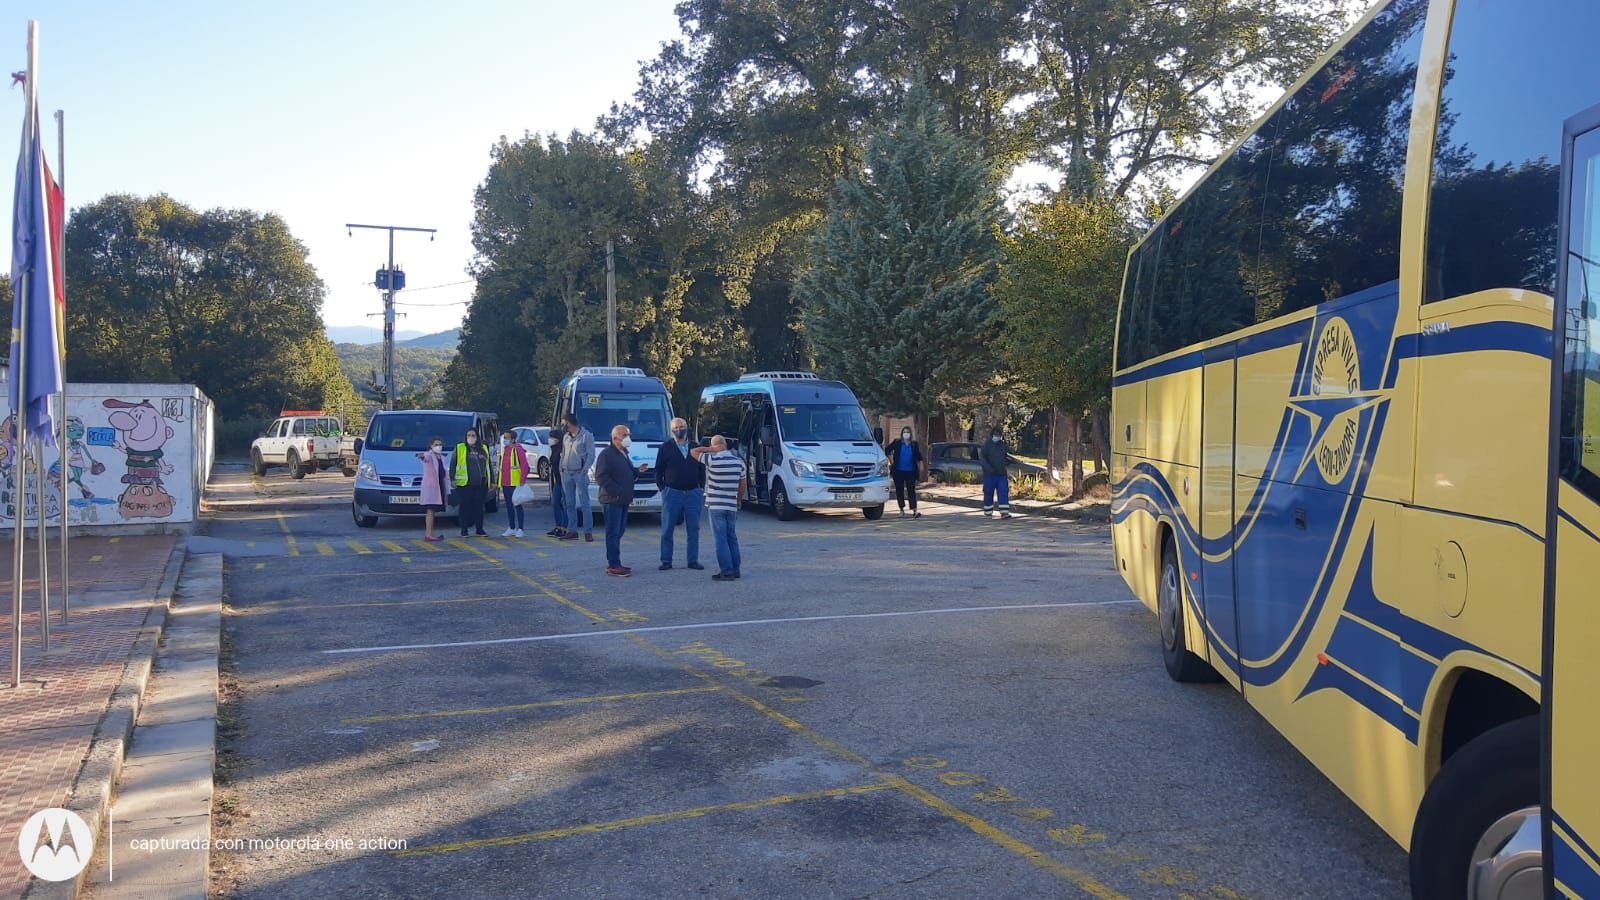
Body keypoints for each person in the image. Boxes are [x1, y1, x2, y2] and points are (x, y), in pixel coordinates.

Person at [595, 424, 648, 577]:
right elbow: (601, 476)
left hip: (623, 499)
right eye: (624, 435)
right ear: (615, 438)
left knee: (619, 531)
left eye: (628, 434)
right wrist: (617, 491)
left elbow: (627, 473)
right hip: (612, 500)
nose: (627, 438)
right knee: (613, 532)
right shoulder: (606, 454)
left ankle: (616, 562)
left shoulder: (624, 453)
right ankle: (613, 565)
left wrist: (638, 471)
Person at [691, 435, 746, 581]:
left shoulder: (712, 460)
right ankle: (736, 569)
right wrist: (738, 500)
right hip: (731, 505)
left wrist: (710, 449)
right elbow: (743, 484)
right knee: (731, 537)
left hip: (716, 505)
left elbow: (693, 451)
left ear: (714, 446)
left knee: (720, 539)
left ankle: (726, 571)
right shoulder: (739, 462)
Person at [654, 416, 705, 571]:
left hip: (693, 493)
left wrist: (701, 487)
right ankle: (666, 561)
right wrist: (663, 488)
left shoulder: (695, 446)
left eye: (681, 426)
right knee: (667, 529)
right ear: (671, 430)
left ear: (686, 427)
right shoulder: (665, 447)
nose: (679, 430)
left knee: (693, 529)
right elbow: (658, 470)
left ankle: (692, 560)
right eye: (675, 428)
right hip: (672, 492)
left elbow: (702, 468)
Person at [558, 413, 596, 542]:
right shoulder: (566, 437)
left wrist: (584, 470)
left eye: (564, 423)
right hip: (567, 473)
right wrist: (561, 469)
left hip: (580, 474)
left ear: (570, 422)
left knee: (585, 503)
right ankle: (572, 531)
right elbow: (563, 454)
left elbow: (591, 455)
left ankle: (588, 532)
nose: (563, 426)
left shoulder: (586, 436)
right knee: (569, 504)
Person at [451, 428, 493, 536]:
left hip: (481, 484)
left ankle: (479, 529)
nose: (471, 437)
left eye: (473, 435)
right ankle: (464, 530)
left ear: (477, 437)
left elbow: (489, 466)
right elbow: (453, 464)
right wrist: (452, 479)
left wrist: (492, 481)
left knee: (479, 508)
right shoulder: (460, 447)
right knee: (465, 507)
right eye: (468, 435)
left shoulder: (483, 448)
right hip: (465, 484)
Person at [883, 425, 925, 518]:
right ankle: (901, 509)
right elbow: (887, 450)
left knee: (911, 490)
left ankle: (914, 510)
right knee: (899, 490)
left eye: (908, 432)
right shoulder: (897, 443)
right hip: (898, 471)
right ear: (902, 433)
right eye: (904, 432)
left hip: (910, 471)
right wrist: (891, 461)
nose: (906, 434)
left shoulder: (914, 444)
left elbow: (919, 457)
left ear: (910, 434)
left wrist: (921, 468)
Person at [416, 436, 449, 542]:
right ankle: (428, 535)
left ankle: (430, 533)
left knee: (433, 510)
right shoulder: (429, 455)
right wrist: (420, 456)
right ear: (431, 446)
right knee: (430, 510)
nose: (438, 446)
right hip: (431, 487)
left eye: (440, 444)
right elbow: (424, 457)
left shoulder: (441, 457)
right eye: (436, 445)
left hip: (439, 486)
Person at [498, 432, 532, 537]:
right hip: (506, 483)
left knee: (517, 505)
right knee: (509, 506)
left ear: (513, 439)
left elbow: (525, 466)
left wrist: (522, 480)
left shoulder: (518, 449)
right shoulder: (505, 450)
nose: (504, 440)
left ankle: (520, 528)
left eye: (507, 438)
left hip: (515, 483)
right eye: (504, 438)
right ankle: (511, 527)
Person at [979, 425, 1012, 519]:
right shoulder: (987, 445)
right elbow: (982, 459)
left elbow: (1006, 457)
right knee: (988, 493)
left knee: (1003, 492)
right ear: (992, 435)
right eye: (996, 434)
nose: (997, 436)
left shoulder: (1003, 445)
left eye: (999, 435)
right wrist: (989, 468)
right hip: (989, 474)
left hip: (1001, 474)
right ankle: (988, 512)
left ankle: (1004, 512)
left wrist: (1009, 461)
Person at [546, 427, 568, 537]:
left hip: (564, 481)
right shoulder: (554, 449)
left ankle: (565, 527)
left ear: (558, 439)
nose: (550, 439)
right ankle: (558, 526)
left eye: (552, 437)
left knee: (565, 504)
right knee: (555, 503)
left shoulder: (562, 450)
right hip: (558, 482)